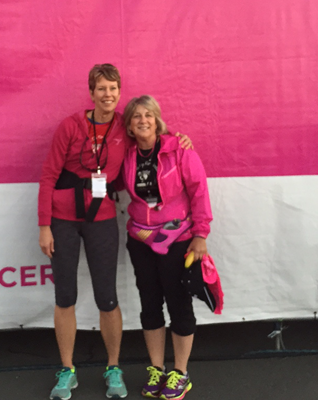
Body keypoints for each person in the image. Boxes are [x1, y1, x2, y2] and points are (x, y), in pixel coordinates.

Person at [38, 65, 192, 400]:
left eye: (113, 88)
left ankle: (113, 367)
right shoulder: (70, 126)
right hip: (63, 219)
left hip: (103, 218)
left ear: (119, 92)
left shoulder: (124, 125)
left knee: (107, 297)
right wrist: (44, 226)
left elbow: (150, 134)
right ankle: (67, 370)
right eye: (101, 88)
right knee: (65, 296)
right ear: (91, 93)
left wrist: (178, 140)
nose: (107, 94)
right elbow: (48, 175)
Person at [121, 95, 213, 400]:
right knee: (149, 304)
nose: (143, 121)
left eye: (148, 115)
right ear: (129, 126)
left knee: (178, 303)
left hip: (178, 239)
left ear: (157, 119)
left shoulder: (180, 150)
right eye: (136, 116)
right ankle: (157, 369)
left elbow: (199, 191)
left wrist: (200, 234)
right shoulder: (127, 155)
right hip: (140, 240)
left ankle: (180, 373)